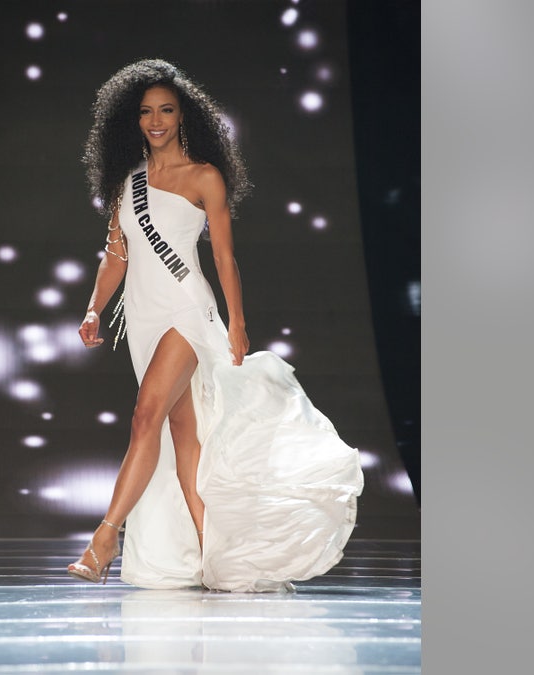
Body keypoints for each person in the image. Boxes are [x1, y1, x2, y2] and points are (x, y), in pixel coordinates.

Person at [68, 59, 363, 592]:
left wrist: (237, 323)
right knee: (185, 436)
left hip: (186, 312)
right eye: (145, 112)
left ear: (184, 116)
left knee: (145, 417)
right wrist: (93, 308)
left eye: (166, 110)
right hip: (142, 316)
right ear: (131, 120)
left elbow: (225, 259)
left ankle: (105, 536)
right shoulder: (127, 183)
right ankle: (214, 555)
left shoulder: (204, 176)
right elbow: (116, 255)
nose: (156, 121)